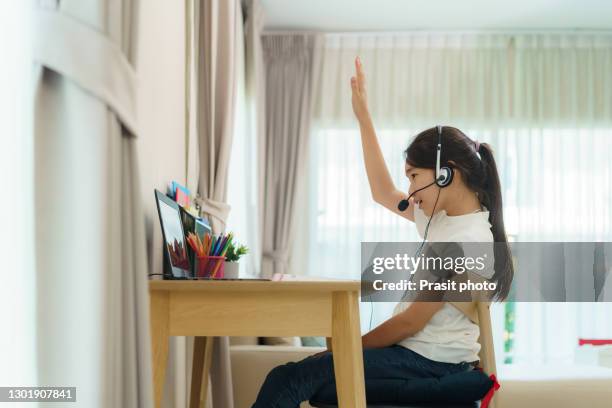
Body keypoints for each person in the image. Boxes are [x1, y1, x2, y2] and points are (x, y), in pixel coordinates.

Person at [251, 56, 513, 408]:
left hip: (428, 364)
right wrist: (364, 118)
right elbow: (382, 191)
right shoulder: (445, 219)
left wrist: (348, 345)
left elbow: (408, 323)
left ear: (446, 174)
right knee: (305, 379)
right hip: (418, 357)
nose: (410, 192)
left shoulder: (465, 240)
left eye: (414, 178)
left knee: (289, 378)